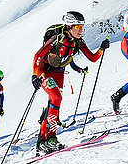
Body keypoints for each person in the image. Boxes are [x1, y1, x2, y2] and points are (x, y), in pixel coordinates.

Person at [32, 11, 110, 154]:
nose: (81, 29)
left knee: (54, 104)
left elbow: (92, 58)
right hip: (43, 70)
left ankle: (48, 140)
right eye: (77, 27)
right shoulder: (57, 38)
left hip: (58, 73)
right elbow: (38, 55)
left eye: (82, 26)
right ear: (69, 26)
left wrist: (101, 49)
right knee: (56, 98)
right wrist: (34, 76)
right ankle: (46, 139)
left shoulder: (78, 42)